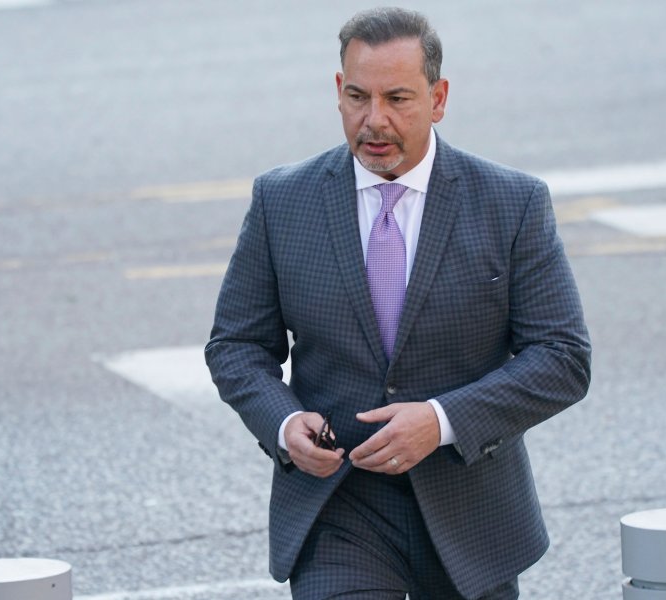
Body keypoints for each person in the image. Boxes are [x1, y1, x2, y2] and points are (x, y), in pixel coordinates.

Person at [205, 7, 591, 599]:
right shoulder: (283, 202)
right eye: (358, 96)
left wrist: (439, 422)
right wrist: (283, 423)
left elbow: (563, 358)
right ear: (338, 91)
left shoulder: (512, 204)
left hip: (471, 513)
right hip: (340, 506)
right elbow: (235, 346)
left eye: (398, 99)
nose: (374, 120)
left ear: (438, 99)